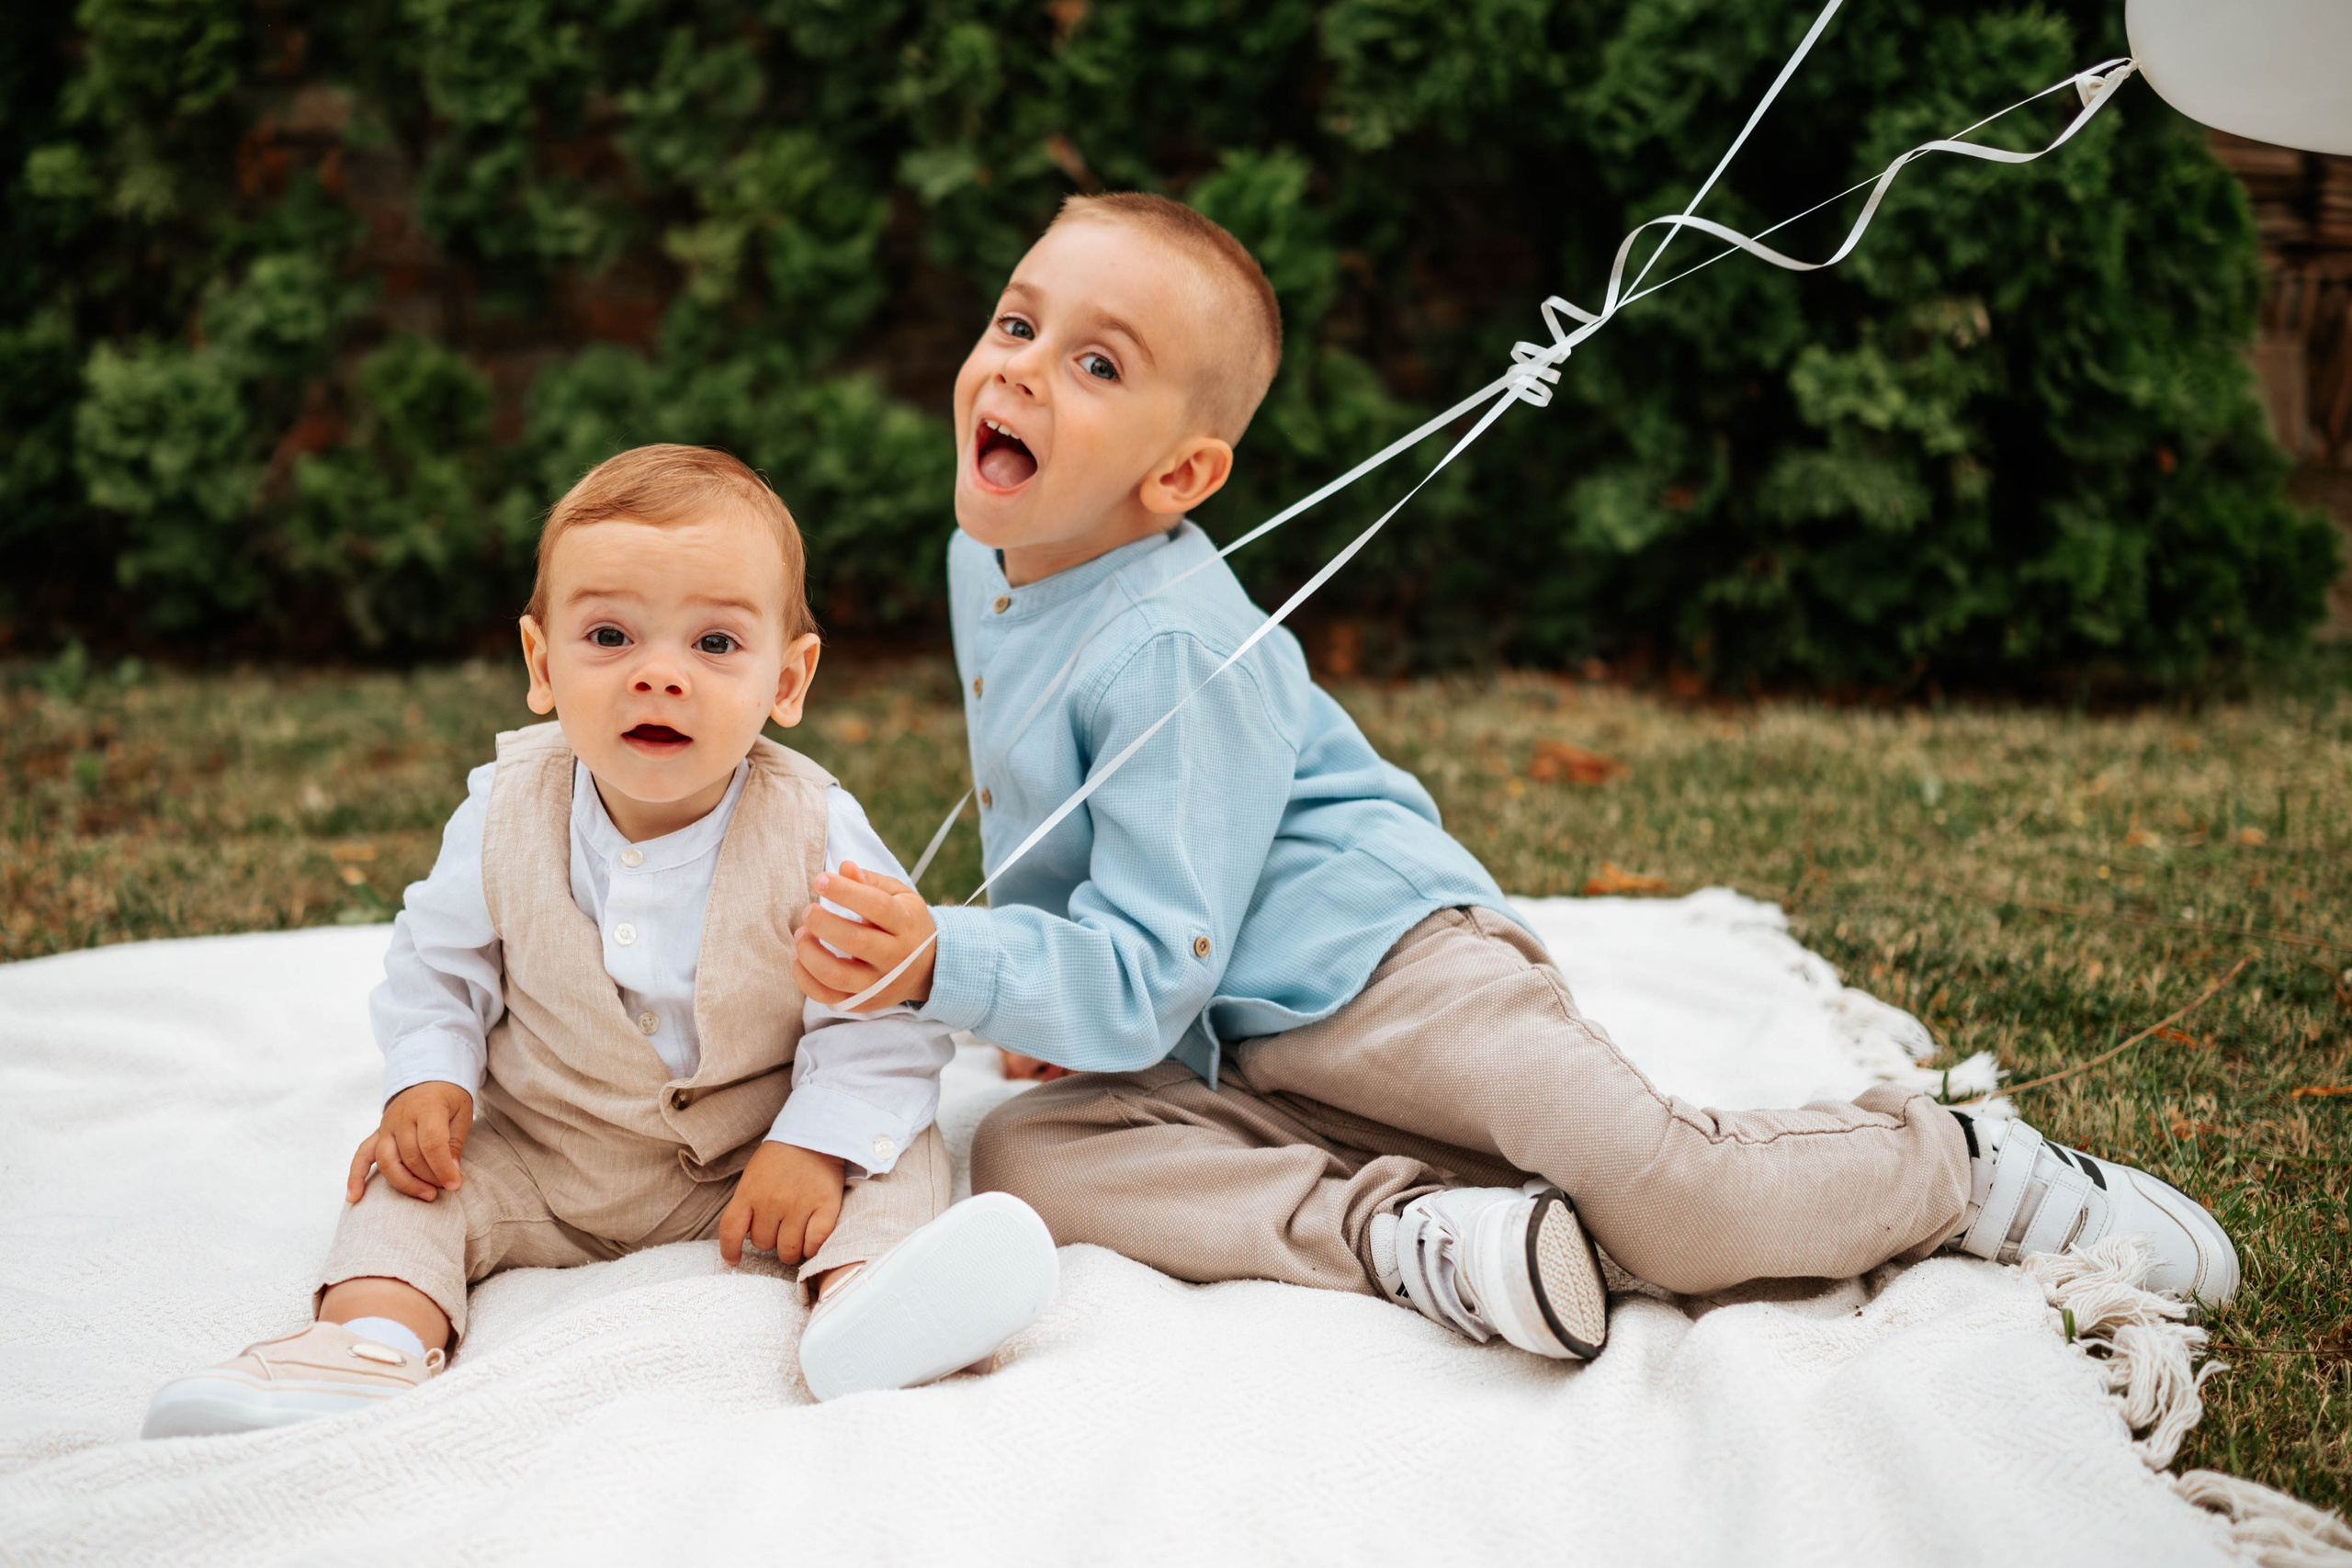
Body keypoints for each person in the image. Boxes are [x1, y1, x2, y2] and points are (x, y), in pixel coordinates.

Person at [786, 194, 2240, 1366]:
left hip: (1392, 979)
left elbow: (1156, 955)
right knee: (1034, 1151)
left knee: (1670, 1198)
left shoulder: (1174, 646)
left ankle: (1956, 1168)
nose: (1024, 365)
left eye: (1096, 363)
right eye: (1017, 321)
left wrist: (953, 962)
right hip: (1228, 1043)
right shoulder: (990, 555)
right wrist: (1049, 1006)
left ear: (1179, 478)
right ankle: (1416, 1232)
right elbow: (1075, 837)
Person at [143, 445, 1057, 1438]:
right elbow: (437, 967)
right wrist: (428, 1078)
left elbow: (876, 1008)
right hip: (551, 1156)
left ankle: (873, 1303)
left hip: (764, 1155)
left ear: (787, 681)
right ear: (542, 665)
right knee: (404, 1185)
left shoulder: (814, 828)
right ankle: (370, 1339)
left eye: (714, 645)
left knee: (894, 1153)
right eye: (612, 635)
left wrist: (811, 1140)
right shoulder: (503, 813)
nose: (659, 677)